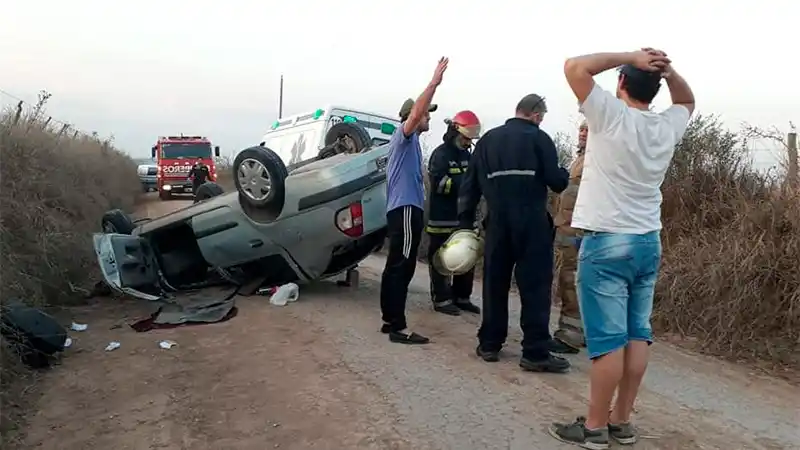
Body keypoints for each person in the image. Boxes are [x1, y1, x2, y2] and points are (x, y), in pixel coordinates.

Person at [549, 49, 694, 449]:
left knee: (608, 341)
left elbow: (573, 66)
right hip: (648, 241)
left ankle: (594, 428)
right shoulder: (666, 125)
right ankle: (622, 422)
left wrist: (631, 55)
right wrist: (669, 69)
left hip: (607, 242)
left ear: (621, 83)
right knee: (636, 335)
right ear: (655, 89)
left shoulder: (609, 115)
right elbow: (686, 101)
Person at [458, 93, 574, 373]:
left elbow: (469, 187)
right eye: (542, 117)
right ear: (536, 115)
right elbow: (557, 182)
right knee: (535, 288)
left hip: (496, 223)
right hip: (531, 223)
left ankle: (489, 344)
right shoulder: (540, 139)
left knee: (494, 284)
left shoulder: (487, 141)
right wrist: (563, 171)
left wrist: (464, 225)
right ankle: (534, 352)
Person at [379, 57, 449, 345]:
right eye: (425, 115)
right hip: (405, 210)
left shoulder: (413, 144)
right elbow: (418, 109)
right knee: (403, 265)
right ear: (412, 116)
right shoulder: (404, 136)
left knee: (398, 263)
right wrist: (433, 83)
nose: (428, 117)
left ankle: (389, 321)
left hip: (406, 210)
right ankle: (398, 326)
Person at [426, 110, 483, 316]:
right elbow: (440, 184)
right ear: (455, 132)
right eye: (466, 138)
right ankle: (441, 299)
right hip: (441, 219)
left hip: (464, 219)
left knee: (466, 258)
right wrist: (466, 185)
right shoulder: (440, 155)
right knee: (441, 260)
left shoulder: (468, 156)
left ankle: (462, 297)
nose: (469, 142)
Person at [551, 120, 589, 352]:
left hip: (580, 233)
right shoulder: (580, 160)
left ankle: (570, 335)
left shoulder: (596, 161)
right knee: (569, 280)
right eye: (581, 129)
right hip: (567, 231)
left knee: (572, 282)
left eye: (589, 129)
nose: (583, 133)